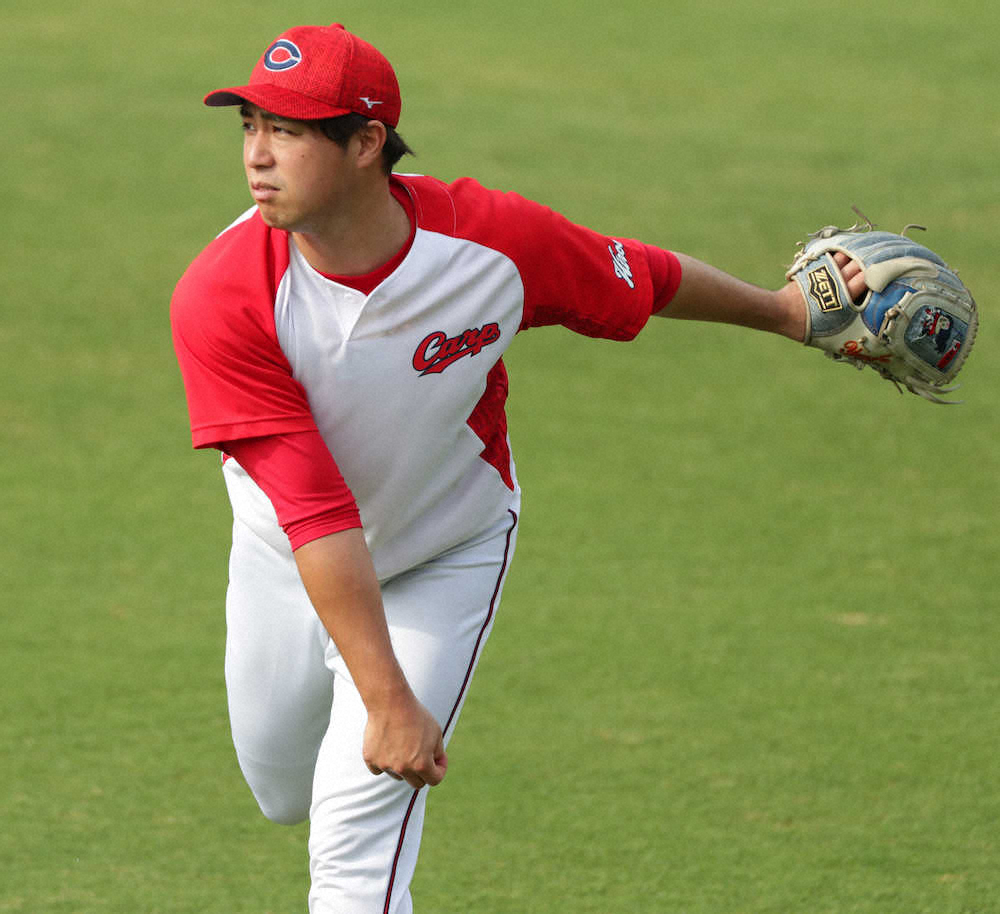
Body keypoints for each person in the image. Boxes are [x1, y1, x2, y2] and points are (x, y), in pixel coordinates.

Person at [170, 22, 867, 913]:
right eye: (249, 126)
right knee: (281, 790)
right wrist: (385, 697)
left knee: (353, 848)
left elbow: (643, 276)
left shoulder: (490, 242)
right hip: (288, 557)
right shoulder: (224, 297)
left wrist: (784, 312)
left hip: (443, 553)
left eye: (288, 131)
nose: (257, 155)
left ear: (366, 143)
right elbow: (316, 512)